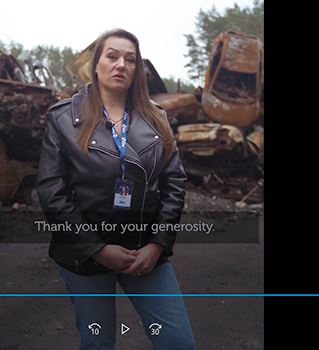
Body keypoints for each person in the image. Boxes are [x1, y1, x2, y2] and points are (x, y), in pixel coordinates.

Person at [36, 28, 196, 350]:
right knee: (99, 343)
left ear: (137, 70)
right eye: (112, 56)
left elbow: (174, 183)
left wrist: (157, 246)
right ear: (96, 65)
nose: (121, 64)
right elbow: (52, 192)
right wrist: (97, 248)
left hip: (144, 252)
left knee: (178, 342)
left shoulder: (157, 118)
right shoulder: (64, 118)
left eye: (130, 59)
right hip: (85, 256)